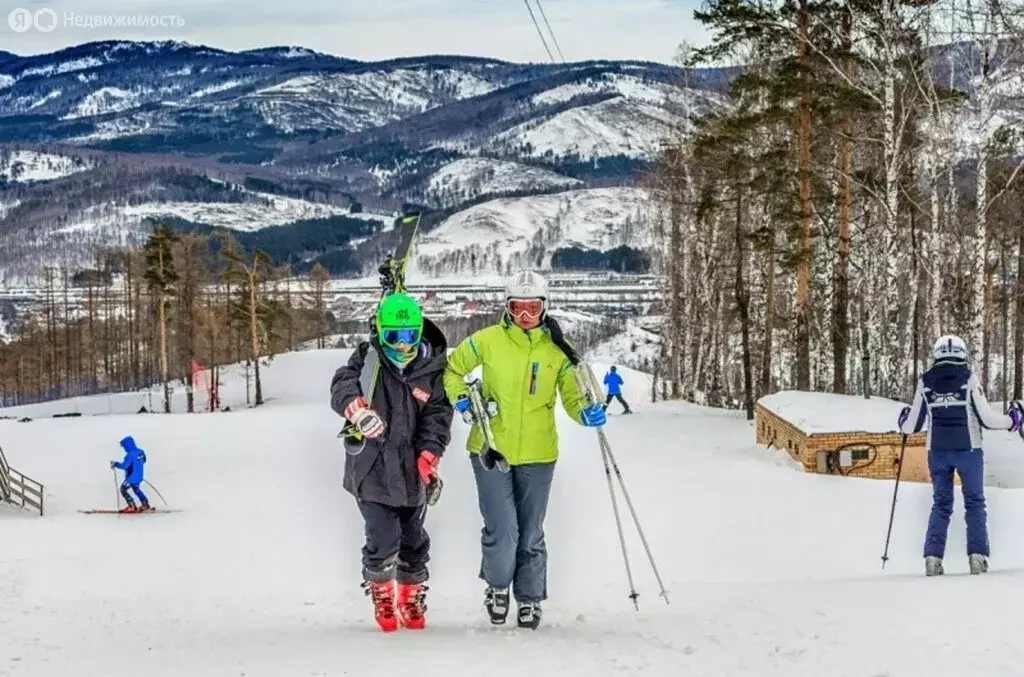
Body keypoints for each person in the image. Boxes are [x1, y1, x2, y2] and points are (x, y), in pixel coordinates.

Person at [443, 270, 607, 630]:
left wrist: (587, 413)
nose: (525, 316)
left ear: (545, 307)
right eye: (518, 308)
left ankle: (530, 599)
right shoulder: (486, 341)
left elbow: (573, 397)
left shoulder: (557, 351)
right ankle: (498, 587)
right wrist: (463, 403)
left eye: (533, 308)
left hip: (538, 453)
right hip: (489, 447)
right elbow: (452, 370)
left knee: (531, 530)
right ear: (507, 307)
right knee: (503, 528)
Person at [329, 292, 453, 632]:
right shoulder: (368, 361)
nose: (401, 345)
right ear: (380, 333)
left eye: (409, 336)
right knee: (383, 537)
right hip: (371, 470)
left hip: (413, 472)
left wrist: (430, 451)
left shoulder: (431, 371)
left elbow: (438, 417)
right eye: (393, 337)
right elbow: (342, 383)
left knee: (414, 539)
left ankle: (410, 595)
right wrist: (356, 408)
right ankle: (381, 591)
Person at [898, 334, 1021, 576]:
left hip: (938, 452)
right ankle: (977, 558)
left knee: (941, 504)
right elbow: (987, 418)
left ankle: (933, 559)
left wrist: (902, 420)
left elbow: (911, 425)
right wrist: (1012, 420)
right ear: (962, 355)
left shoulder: (926, 381)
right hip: (969, 450)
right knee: (975, 502)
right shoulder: (969, 379)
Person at [110, 435, 149, 513]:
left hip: (132, 477)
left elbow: (124, 466)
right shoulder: (141, 451)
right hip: (139, 476)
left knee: (123, 489)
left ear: (127, 445)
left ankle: (132, 506)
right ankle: (145, 504)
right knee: (136, 489)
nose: (124, 448)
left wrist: (115, 464)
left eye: (124, 446)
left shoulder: (129, 455)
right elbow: (144, 460)